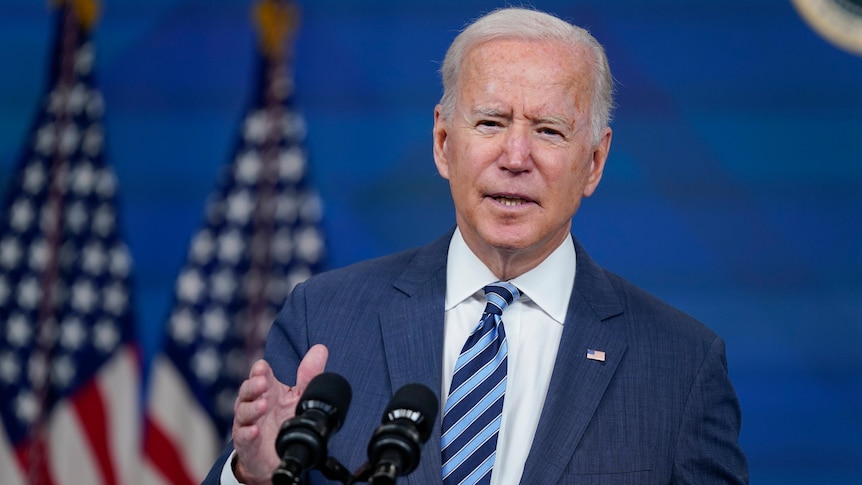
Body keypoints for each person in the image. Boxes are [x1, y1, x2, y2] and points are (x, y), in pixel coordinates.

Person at [204, 7, 749, 485]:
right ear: (443, 143)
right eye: (490, 122)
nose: (515, 156)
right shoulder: (324, 317)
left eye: (549, 131)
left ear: (595, 162)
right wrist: (252, 476)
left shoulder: (680, 367)